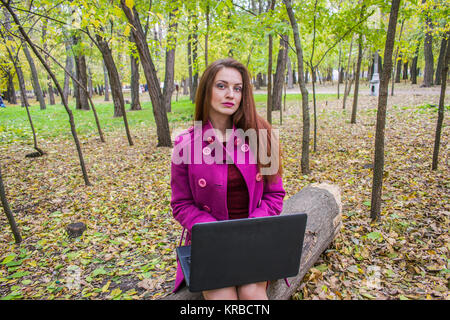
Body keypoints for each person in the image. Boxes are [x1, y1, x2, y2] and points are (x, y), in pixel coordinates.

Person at [170, 58, 285, 300]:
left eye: (237, 88)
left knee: (252, 293)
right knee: (222, 295)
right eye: (221, 86)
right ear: (206, 90)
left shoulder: (263, 136)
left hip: (254, 238)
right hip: (211, 243)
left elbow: (275, 195)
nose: (230, 94)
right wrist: (212, 231)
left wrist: (253, 226)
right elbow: (180, 205)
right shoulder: (185, 144)